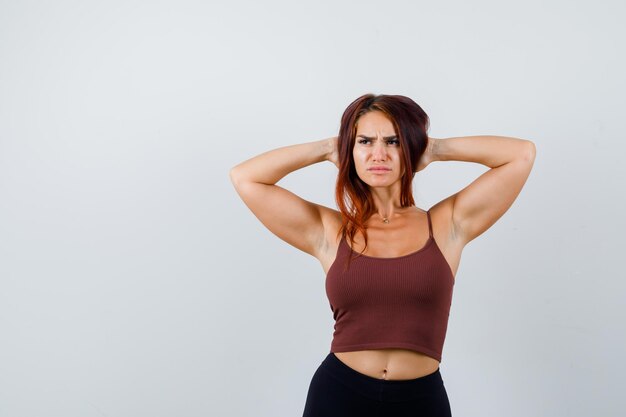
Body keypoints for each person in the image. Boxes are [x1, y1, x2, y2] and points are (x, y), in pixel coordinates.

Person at [229, 93, 536, 416]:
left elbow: (521, 155)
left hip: (420, 400)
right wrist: (326, 148)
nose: (379, 154)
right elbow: (245, 177)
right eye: (365, 141)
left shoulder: (447, 225)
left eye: (393, 141)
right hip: (339, 395)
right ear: (351, 149)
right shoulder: (329, 231)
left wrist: (433, 149)